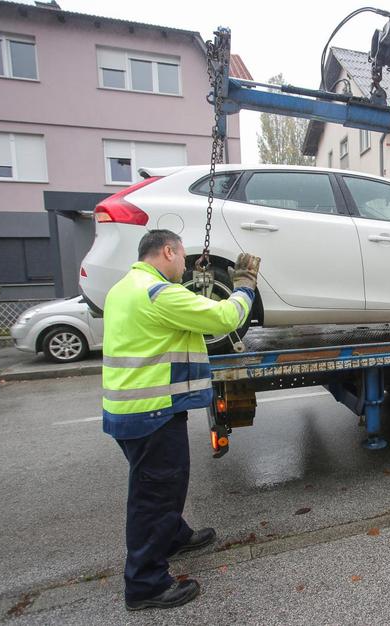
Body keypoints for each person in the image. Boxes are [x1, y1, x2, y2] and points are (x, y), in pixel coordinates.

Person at [101, 229, 259, 611]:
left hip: (131, 410)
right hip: (151, 411)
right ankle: (145, 585)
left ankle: (173, 536)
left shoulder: (124, 287)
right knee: (154, 496)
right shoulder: (159, 293)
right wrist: (245, 287)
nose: (185, 265)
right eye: (183, 257)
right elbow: (224, 318)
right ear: (167, 251)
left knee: (158, 487)